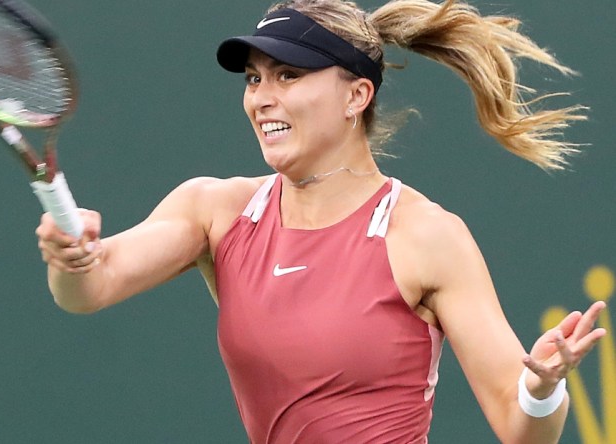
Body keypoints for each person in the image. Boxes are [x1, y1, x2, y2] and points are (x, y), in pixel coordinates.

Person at [35, 0, 607, 442]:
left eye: (288, 76)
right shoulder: (215, 209)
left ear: (356, 94)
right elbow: (92, 286)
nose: (261, 96)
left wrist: (539, 389)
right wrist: (71, 259)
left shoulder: (426, 235)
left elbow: (518, 424)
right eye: (254, 78)